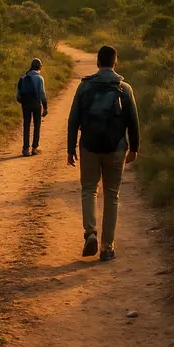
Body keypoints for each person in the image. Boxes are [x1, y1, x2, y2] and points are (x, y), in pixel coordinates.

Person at [67, 45, 140, 261]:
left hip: (89, 146)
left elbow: (73, 119)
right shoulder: (124, 88)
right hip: (116, 148)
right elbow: (133, 121)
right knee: (111, 195)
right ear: (115, 64)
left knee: (89, 190)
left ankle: (90, 232)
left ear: (98, 63)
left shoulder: (84, 87)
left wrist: (71, 148)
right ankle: (107, 247)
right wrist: (134, 148)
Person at [17, 58, 48, 157]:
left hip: (26, 105)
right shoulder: (39, 78)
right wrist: (45, 107)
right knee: (36, 125)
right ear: (39, 67)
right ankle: (34, 148)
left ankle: (25, 149)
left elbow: (18, 96)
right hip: (36, 104)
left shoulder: (22, 78)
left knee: (26, 125)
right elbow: (42, 94)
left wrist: (24, 103)